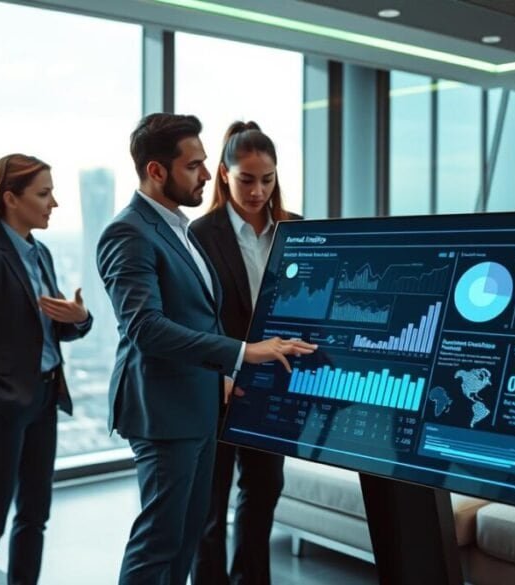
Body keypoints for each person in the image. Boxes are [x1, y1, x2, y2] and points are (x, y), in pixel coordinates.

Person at [97, 113, 316, 585]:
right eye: (194, 165)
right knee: (160, 541)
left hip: (196, 402)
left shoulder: (174, 228)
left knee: (182, 540)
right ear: (157, 171)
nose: (203, 174)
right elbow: (145, 327)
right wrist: (242, 354)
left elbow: (201, 313)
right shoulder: (130, 232)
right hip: (165, 408)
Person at [0, 154, 93, 585]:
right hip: (1, 410)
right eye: (44, 194)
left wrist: (79, 318)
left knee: (34, 516)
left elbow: (55, 330)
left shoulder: (40, 253)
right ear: (10, 198)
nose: (54, 203)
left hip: (44, 399)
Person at [189, 121, 300, 585]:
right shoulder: (200, 233)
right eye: (247, 179)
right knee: (210, 507)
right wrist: (220, 372)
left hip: (272, 382)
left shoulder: (295, 228)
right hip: (220, 383)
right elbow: (195, 316)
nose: (258, 191)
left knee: (263, 491)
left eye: (267, 179)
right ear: (223, 175)